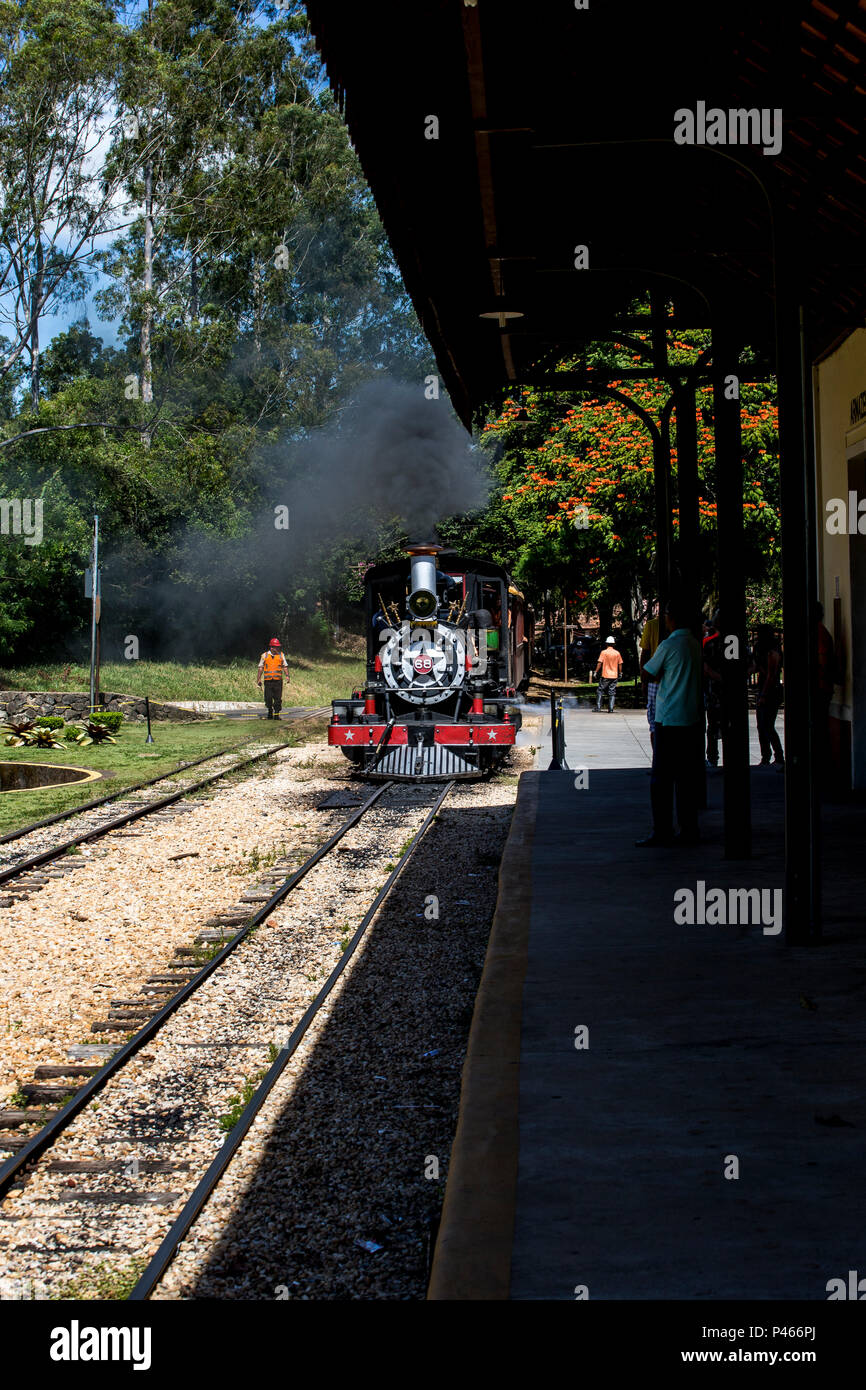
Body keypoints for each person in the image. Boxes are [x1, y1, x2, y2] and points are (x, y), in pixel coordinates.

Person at [636, 596, 704, 847]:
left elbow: (647, 672)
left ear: (671, 618)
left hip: (669, 720)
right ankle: (689, 829)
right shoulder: (695, 644)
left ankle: (662, 830)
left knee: (661, 780)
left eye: (665, 614)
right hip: (691, 718)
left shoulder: (668, 644)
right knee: (686, 779)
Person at [751, 625, 784, 769]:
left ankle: (777, 756)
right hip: (765, 688)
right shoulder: (761, 649)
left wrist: (764, 694)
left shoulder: (772, 651)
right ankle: (767, 755)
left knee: (767, 725)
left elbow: (771, 675)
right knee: (762, 725)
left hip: (771, 690)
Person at [702, 612, 723, 770]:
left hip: (714, 690)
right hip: (718, 690)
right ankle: (712, 757)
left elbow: (705, 668)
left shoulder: (709, 643)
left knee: (712, 726)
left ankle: (712, 758)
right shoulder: (734, 642)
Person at [639, 610, 661, 750]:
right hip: (667, 681)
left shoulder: (652, 625)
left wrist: (644, 681)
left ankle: (657, 760)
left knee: (654, 724)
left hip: (654, 681)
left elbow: (645, 655)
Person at [257, 637, 289, 719]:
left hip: (278, 681)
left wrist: (287, 676)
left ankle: (277, 714)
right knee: (268, 698)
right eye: (276, 647)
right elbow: (260, 667)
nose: (278, 648)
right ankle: (270, 711)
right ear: (271, 647)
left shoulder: (281, 655)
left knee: (278, 698)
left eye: (278, 647)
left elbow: (285, 666)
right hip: (268, 681)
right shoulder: (264, 655)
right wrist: (258, 679)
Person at [594, 636, 623, 712]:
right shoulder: (617, 653)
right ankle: (610, 708)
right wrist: (620, 672)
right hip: (614, 675)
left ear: (606, 644)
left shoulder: (604, 652)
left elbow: (599, 663)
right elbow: (620, 664)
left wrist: (596, 671)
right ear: (614, 644)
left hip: (605, 675)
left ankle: (598, 707)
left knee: (600, 690)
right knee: (612, 691)